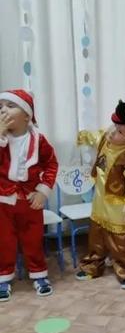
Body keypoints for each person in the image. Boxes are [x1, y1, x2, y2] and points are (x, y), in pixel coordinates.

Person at [75, 97, 125, 289]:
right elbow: (96, 136)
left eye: (120, 132)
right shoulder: (106, 139)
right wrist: (84, 136)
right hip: (99, 202)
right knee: (95, 237)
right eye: (114, 126)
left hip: (118, 206)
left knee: (119, 243)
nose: (113, 132)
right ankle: (93, 265)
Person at [0, 89, 58, 300]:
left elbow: (51, 164)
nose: (3, 110)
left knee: (33, 239)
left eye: (10, 106)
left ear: (27, 115)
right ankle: (3, 277)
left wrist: (43, 191)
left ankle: (39, 274)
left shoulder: (38, 139)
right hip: (3, 201)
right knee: (4, 241)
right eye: (0, 107)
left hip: (30, 200)